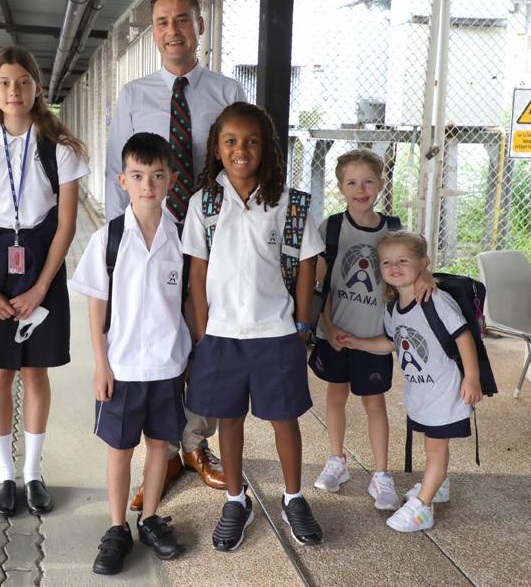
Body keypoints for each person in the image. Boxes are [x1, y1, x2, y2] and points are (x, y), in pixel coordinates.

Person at [106, 0, 246, 508]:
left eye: (183, 20)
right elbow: (116, 172)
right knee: (159, 334)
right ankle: (160, 452)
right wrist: (121, 245)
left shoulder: (228, 91)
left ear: (200, 26)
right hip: (154, 239)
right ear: (154, 33)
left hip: (211, 239)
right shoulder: (133, 95)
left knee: (207, 338)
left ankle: (195, 444)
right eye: (163, 22)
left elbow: (241, 165)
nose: (173, 31)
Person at [0, 46, 89, 520]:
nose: (15, 91)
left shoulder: (61, 148)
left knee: (35, 371)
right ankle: (5, 474)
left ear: (38, 88)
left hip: (41, 265)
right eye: (5, 82)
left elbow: (66, 226)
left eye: (24, 82)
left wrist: (41, 288)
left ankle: (33, 473)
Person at [183, 102, 324, 550]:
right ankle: (235, 499)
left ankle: (293, 497)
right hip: (222, 335)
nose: (240, 150)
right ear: (217, 148)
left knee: (284, 419)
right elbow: (197, 272)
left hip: (276, 333)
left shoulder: (290, 203)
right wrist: (202, 333)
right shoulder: (204, 203)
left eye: (251, 141)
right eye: (230, 141)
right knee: (229, 420)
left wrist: (302, 325)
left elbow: (307, 265)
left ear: (266, 148)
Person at [70, 133, 188, 575]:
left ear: (171, 179)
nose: (148, 185)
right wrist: (101, 364)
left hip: (168, 365)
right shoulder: (110, 238)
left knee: (160, 446)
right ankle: (117, 527)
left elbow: (189, 301)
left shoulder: (182, 237)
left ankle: (150, 517)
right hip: (121, 367)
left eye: (157, 176)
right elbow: (96, 306)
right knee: (120, 450)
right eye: (137, 176)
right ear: (123, 180)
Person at [308, 149, 434, 508]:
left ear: (380, 184)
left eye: (367, 182)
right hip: (336, 333)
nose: (360, 189)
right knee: (336, 396)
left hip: (373, 339)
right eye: (351, 183)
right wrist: (328, 326)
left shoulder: (393, 229)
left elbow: (414, 263)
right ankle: (337, 460)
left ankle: (381, 474)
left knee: (374, 403)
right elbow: (322, 284)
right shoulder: (332, 228)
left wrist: (425, 275)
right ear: (340, 187)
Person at [345, 231, 483, 532]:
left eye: (403, 261)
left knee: (435, 447)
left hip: (444, 390)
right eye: (386, 262)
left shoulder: (436, 300)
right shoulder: (393, 307)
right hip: (421, 391)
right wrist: (358, 343)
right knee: (432, 444)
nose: (394, 267)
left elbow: (463, 337)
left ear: (424, 262)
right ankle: (439, 485)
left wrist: (472, 378)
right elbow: (390, 343)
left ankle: (423, 507)